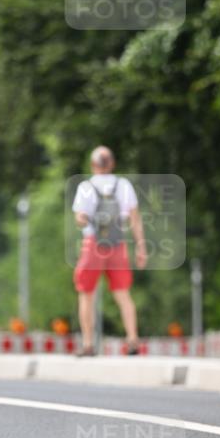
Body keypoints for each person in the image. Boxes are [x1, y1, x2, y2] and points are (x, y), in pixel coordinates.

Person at [72, 146, 147, 356]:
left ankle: (88, 344)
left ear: (92, 165)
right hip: (117, 243)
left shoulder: (86, 186)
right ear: (112, 164)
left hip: (93, 244)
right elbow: (135, 218)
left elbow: (80, 218)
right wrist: (141, 246)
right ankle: (132, 340)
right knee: (123, 294)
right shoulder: (123, 185)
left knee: (86, 294)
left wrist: (87, 220)